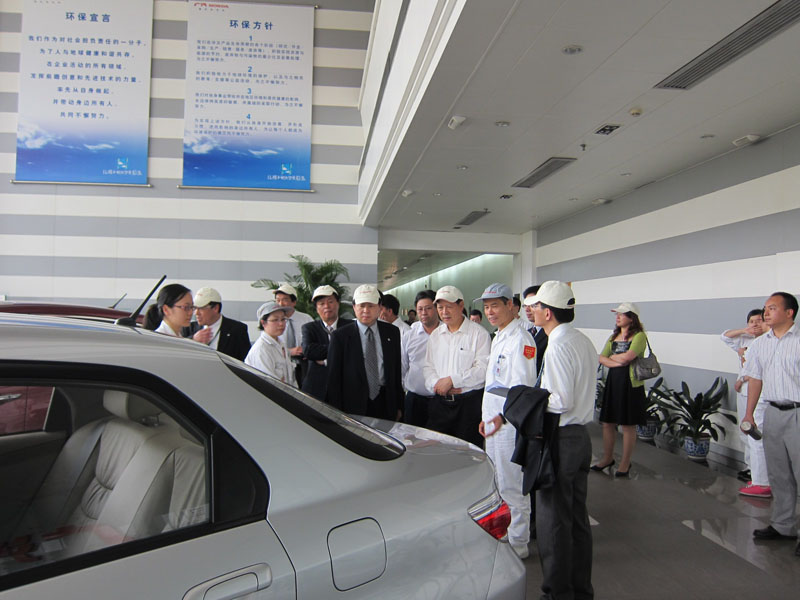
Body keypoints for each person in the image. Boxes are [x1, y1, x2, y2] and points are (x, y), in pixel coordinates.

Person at [524, 280, 595, 599]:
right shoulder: (582, 340)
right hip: (581, 438)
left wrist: (531, 401)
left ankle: (556, 593)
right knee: (577, 520)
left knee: (553, 521)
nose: (532, 311)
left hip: (561, 438)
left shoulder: (557, 346)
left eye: (536, 306)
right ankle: (580, 589)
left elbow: (561, 400)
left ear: (548, 312)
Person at [478, 283, 537, 559]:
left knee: (512, 484)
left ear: (510, 306)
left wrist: (500, 418)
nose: (490, 312)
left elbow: (522, 388)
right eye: (486, 307)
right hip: (494, 423)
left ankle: (519, 542)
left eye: (495, 306)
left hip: (508, 424)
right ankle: (505, 534)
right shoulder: (499, 335)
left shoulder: (521, 339)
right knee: (498, 482)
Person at [741, 291, 800, 557]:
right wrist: (749, 414)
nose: (766, 313)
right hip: (773, 412)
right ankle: (783, 525)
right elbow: (755, 379)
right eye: (765, 308)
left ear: (789, 312)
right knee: (778, 472)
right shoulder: (760, 344)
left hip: (797, 412)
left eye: (772, 308)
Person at [423, 286, 491, 447]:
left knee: (468, 451)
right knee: (437, 449)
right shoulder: (436, 335)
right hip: (440, 404)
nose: (444, 312)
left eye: (449, 307)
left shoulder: (479, 334)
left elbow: (483, 370)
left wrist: (453, 381)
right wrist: (438, 384)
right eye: (440, 307)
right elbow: (428, 367)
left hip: (468, 406)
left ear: (461, 306)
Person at [326, 284, 403, 420]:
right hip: (353, 404)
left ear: (380, 307)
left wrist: (399, 405)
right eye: (361, 306)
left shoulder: (392, 332)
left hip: (385, 401)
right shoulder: (340, 336)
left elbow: (396, 371)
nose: (366, 310)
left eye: (371, 306)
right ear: (354, 307)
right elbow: (334, 378)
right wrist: (335, 411)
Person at [593, 302, 648, 477]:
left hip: (630, 385)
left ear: (631, 318)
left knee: (627, 425)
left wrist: (614, 358)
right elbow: (601, 358)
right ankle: (607, 457)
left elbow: (628, 358)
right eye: (616, 314)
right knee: (607, 422)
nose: (617, 317)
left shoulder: (639, 336)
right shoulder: (613, 336)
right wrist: (618, 361)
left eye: (622, 314)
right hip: (613, 382)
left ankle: (625, 462)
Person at [721, 308, 771, 497]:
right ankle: (754, 471)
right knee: (746, 433)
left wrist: (742, 379)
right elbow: (724, 336)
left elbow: (758, 371)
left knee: (757, 435)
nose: (756, 324)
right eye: (752, 321)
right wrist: (745, 331)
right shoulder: (746, 340)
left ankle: (762, 480)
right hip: (745, 393)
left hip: (761, 394)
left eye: (760, 320)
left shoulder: (769, 342)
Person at [301, 285, 352, 400]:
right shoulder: (309, 328)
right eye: (321, 304)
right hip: (316, 388)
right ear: (316, 308)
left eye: (330, 302)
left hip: (344, 387)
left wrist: (324, 360)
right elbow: (308, 351)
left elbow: (353, 351)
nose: (327, 306)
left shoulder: (350, 326)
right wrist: (340, 350)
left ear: (338, 303)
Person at [400, 289, 440, 426]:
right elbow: (402, 367)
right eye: (420, 309)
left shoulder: (447, 333)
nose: (423, 313)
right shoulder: (409, 336)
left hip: (441, 401)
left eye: (428, 308)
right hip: (414, 400)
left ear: (436, 308)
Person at [182, 287, 251, 361]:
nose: (196, 313)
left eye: (201, 308)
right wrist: (193, 340)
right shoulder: (188, 328)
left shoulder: (237, 330)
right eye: (195, 308)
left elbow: (246, 361)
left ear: (215, 308)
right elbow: (179, 352)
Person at [245, 301, 296, 387]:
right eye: (275, 320)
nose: (281, 324)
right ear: (263, 323)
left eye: (283, 319)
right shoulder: (261, 349)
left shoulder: (281, 344)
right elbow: (268, 385)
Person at [273, 283, 314, 387]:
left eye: (285, 300)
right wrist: (290, 351)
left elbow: (315, 342)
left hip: (305, 367)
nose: (280, 303)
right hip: (282, 366)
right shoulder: (272, 322)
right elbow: (270, 346)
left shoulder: (306, 319)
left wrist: (307, 350)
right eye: (278, 300)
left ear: (294, 302)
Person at [523, 285, 548, 374]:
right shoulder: (527, 333)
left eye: (532, 305)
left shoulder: (550, 334)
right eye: (525, 305)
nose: (527, 309)